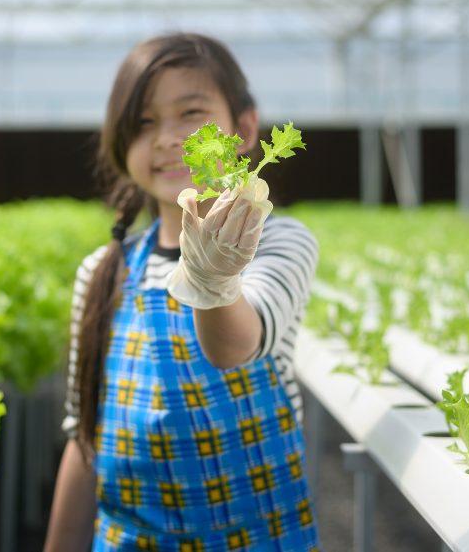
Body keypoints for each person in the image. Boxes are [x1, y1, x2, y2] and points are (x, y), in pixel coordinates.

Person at [44, 32, 322, 551]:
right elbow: (85, 439)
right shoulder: (103, 272)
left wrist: (214, 277)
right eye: (144, 122)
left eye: (190, 113)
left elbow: (234, 345)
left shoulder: (281, 243)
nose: (168, 138)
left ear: (243, 129)